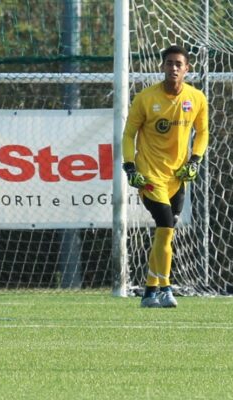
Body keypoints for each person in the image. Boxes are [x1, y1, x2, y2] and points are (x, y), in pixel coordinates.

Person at [122, 45, 209, 308]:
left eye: (178, 64)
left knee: (165, 235)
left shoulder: (197, 98)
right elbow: (128, 135)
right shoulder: (146, 98)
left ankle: (149, 291)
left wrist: (195, 160)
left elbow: (203, 132)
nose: (173, 68)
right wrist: (130, 167)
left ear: (187, 69)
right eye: (169, 63)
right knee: (165, 226)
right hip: (149, 174)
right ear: (162, 67)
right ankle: (166, 288)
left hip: (177, 177)